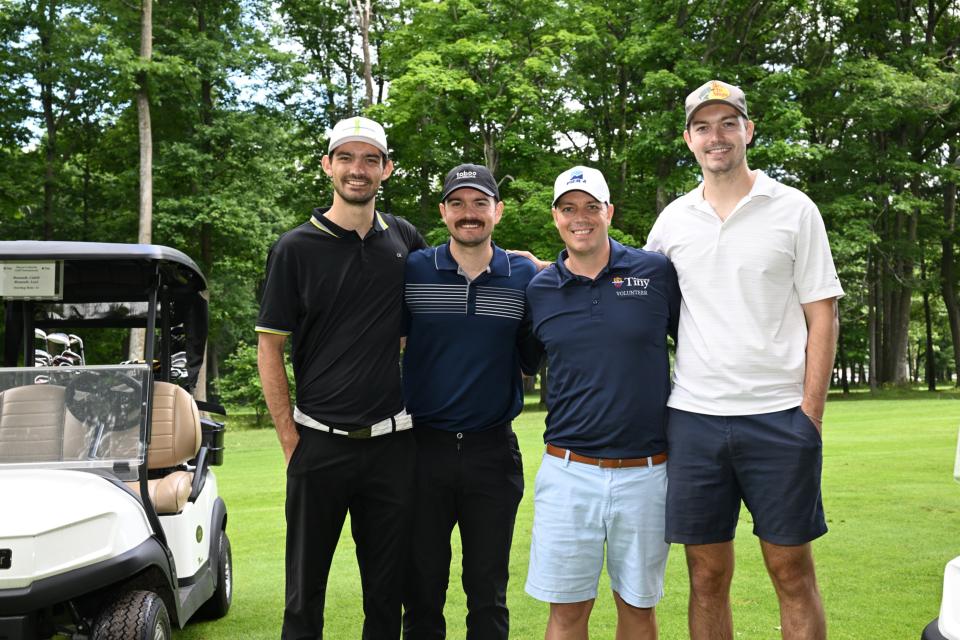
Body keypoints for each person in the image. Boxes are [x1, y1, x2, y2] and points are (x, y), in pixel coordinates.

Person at [645, 80, 844, 640]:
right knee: (707, 574)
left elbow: (822, 313)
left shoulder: (794, 209)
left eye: (728, 123)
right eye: (704, 127)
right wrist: (545, 266)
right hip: (694, 420)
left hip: (780, 418)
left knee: (791, 571)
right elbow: (629, 292)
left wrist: (811, 415)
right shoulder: (673, 221)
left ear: (748, 130)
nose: (717, 136)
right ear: (689, 140)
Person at [256, 115, 426, 640]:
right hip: (319, 444)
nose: (359, 169)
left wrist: (524, 263)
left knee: (386, 593)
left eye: (371, 159)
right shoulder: (295, 248)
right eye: (347, 158)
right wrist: (290, 438)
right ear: (328, 165)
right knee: (304, 594)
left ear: (387, 169)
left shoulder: (405, 239)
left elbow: (442, 298)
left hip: (392, 446)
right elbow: (270, 346)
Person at [525, 166, 680, 640]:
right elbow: (521, 363)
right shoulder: (539, 289)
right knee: (567, 614)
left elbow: (702, 340)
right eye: (569, 209)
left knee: (637, 608)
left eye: (591, 207)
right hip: (568, 471)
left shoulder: (654, 272)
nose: (581, 218)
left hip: (647, 473)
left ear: (609, 211)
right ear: (555, 217)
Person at [401, 163, 542, 639]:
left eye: (480, 203)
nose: (469, 213)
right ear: (443, 212)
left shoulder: (523, 273)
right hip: (422, 451)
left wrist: (547, 265)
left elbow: (538, 346)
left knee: (487, 592)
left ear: (497, 212)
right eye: (458, 203)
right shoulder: (414, 269)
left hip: (492, 452)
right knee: (421, 589)